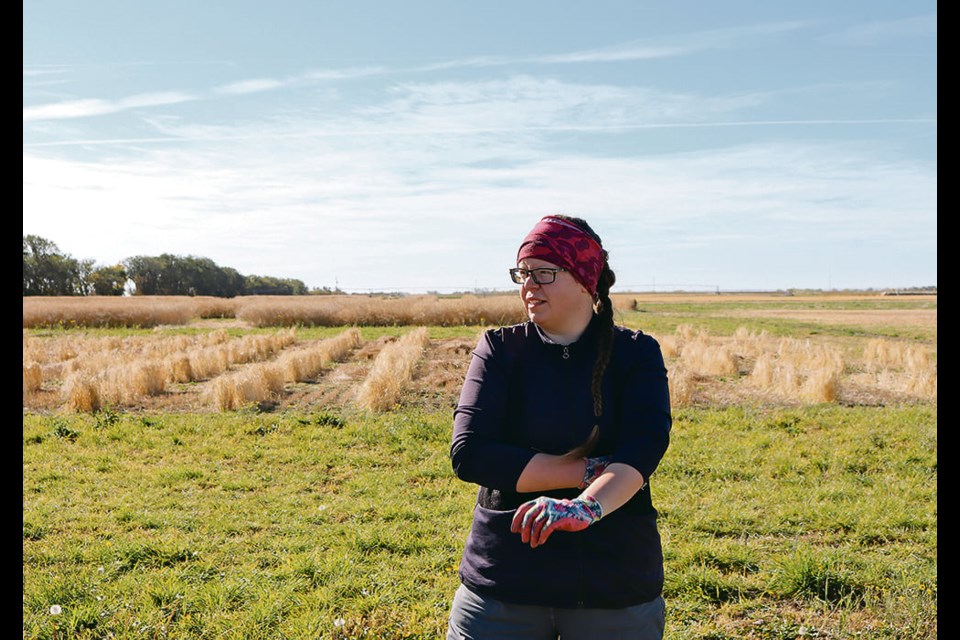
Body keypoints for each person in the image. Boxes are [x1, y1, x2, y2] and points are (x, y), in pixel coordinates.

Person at [446, 214, 672, 639]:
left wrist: (584, 508)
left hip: (613, 584)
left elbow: (642, 451)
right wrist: (590, 471)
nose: (528, 286)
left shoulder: (636, 354)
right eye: (523, 273)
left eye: (544, 273)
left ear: (585, 279)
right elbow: (471, 453)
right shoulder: (499, 350)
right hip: (504, 581)